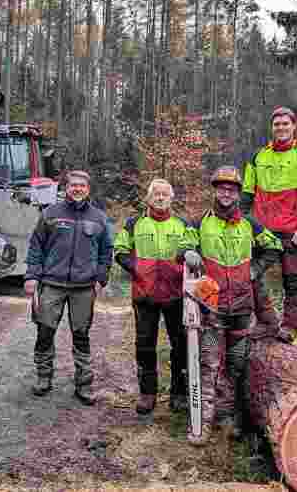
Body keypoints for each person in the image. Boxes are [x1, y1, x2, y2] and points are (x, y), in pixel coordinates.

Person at [183, 166, 283, 446]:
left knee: (238, 366)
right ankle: (201, 423)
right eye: (221, 188)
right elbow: (184, 245)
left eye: (232, 189)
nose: (226, 193)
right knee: (209, 364)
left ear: (238, 193)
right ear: (214, 190)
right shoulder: (200, 222)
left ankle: (232, 418)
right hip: (211, 308)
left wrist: (255, 269)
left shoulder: (251, 225)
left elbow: (275, 246)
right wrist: (189, 253)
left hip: (241, 308)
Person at [24, 170, 112, 405]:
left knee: (81, 335)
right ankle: (44, 378)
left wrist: (100, 278)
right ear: (66, 188)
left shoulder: (99, 218)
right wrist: (32, 277)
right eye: (73, 185)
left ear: (88, 189)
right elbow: (35, 247)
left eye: (82, 185)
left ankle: (83, 384)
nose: (77, 189)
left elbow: (106, 252)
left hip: (83, 287)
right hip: (51, 284)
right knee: (45, 331)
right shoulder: (50, 214)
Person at [240, 106, 297, 342]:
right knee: (251, 275)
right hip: (261, 229)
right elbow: (247, 192)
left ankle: (291, 326)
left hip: (292, 229)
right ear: (272, 127)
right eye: (277, 124)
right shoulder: (258, 157)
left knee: (292, 280)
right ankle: (267, 321)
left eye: (285, 123)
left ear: (294, 126)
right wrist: (241, 223)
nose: (281, 127)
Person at [113, 178, 191, 415]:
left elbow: (192, 250)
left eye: (164, 194)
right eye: (155, 193)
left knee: (180, 345)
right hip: (144, 295)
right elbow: (120, 250)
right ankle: (147, 393)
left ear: (171, 198)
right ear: (148, 197)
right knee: (145, 346)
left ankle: (178, 393)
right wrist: (136, 268)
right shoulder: (134, 223)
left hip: (175, 295)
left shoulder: (183, 224)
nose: (159, 197)